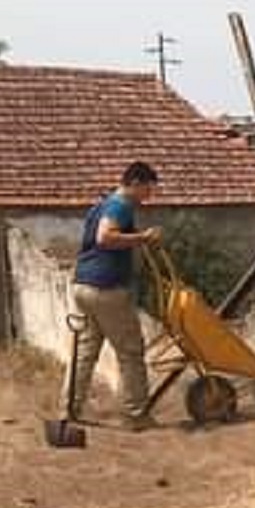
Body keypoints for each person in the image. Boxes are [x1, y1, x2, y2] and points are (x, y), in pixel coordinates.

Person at [65, 161, 161, 430]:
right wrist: (143, 237)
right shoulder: (120, 205)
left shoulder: (102, 203)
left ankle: (70, 409)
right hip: (106, 288)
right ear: (135, 183)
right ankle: (136, 414)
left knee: (86, 351)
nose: (148, 196)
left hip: (84, 284)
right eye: (148, 189)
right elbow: (105, 238)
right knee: (130, 351)